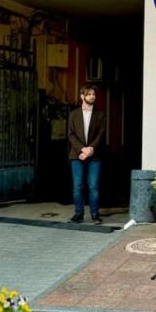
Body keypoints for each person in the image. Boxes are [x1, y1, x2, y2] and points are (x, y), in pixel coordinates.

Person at [67, 84, 106, 224]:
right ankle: (78, 214)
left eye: (94, 94)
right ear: (82, 96)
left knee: (93, 186)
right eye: (89, 94)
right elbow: (71, 135)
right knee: (78, 186)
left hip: (94, 156)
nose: (92, 96)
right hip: (77, 155)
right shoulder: (73, 114)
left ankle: (95, 215)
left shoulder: (100, 115)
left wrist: (90, 150)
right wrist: (82, 150)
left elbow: (101, 134)